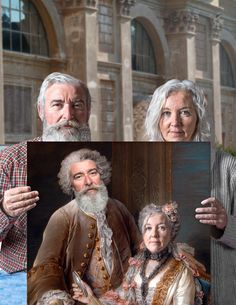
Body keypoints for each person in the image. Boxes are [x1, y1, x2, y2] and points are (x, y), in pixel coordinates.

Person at [0, 72, 92, 305]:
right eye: (57, 105)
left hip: (86, 276)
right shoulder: (11, 160)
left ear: (88, 112)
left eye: (77, 105)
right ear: (41, 111)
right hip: (21, 274)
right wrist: (4, 210)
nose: (67, 115)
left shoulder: (100, 159)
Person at [145, 79, 236, 305]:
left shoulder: (228, 167)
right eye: (165, 113)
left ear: (198, 118)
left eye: (184, 112)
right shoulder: (147, 165)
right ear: (157, 119)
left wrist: (227, 224)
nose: (174, 122)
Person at [27, 148, 141, 305]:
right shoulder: (63, 216)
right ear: (72, 185)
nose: (88, 182)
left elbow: (140, 250)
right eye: (79, 176)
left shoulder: (119, 208)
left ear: (102, 176)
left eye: (93, 173)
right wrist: (54, 298)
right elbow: (45, 267)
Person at [72, 202, 209, 305]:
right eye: (148, 228)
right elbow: (120, 300)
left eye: (161, 228)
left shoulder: (182, 272)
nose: (153, 234)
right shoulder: (136, 265)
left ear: (171, 232)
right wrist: (91, 299)